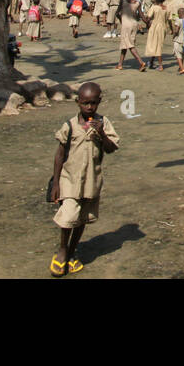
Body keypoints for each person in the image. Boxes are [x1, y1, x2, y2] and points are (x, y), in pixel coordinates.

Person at [48, 82, 119, 277]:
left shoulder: (103, 123)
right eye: (85, 103)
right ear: (78, 102)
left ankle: (72, 251)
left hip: (91, 180)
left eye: (94, 103)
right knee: (69, 215)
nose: (89, 107)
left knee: (82, 218)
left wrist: (101, 133)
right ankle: (62, 250)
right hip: (69, 179)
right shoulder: (70, 126)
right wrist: (56, 183)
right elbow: (59, 154)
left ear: (100, 102)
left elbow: (111, 148)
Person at [141, 0, 168, 71]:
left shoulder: (154, 7)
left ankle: (160, 65)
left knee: (156, 45)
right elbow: (169, 19)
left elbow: (148, 18)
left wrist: (144, 20)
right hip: (163, 27)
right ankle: (151, 62)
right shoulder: (166, 8)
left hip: (155, 27)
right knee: (157, 44)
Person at [118, 0, 143, 69]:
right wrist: (147, 23)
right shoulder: (138, 3)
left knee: (129, 45)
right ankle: (120, 64)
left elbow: (117, 13)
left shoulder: (122, 1)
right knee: (125, 45)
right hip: (134, 24)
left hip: (126, 25)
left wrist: (121, 20)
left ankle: (141, 62)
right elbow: (141, 15)